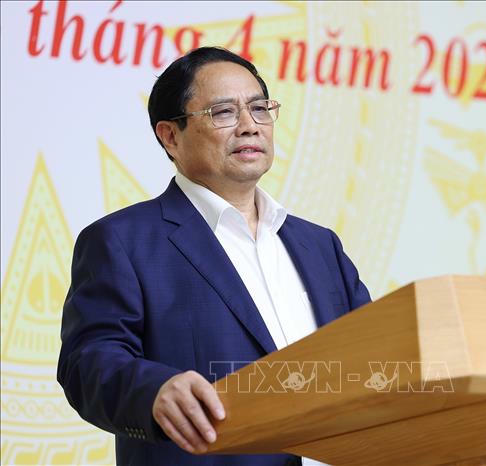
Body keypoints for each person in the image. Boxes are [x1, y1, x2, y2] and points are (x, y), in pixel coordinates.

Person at [57, 46, 371, 466]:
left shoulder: (320, 246)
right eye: (224, 112)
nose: (250, 126)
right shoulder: (122, 241)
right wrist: (154, 390)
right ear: (170, 136)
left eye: (259, 108)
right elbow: (88, 362)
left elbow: (374, 355)